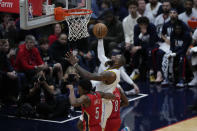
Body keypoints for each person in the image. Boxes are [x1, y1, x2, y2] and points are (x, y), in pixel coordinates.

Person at [66, 48, 126, 130]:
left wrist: (71, 89)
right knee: (80, 124)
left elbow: (74, 102)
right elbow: (100, 88)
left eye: (117, 56)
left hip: (95, 123)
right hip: (99, 111)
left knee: (83, 123)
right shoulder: (99, 93)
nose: (114, 56)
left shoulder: (86, 97)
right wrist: (112, 97)